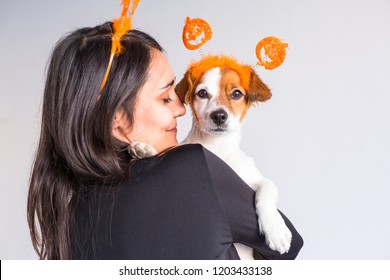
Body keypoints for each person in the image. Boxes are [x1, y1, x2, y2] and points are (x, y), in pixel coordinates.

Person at [27, 22, 303, 260]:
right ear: (117, 119)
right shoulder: (192, 167)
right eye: (165, 97)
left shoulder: (71, 214)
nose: (182, 109)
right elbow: (288, 246)